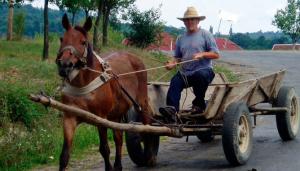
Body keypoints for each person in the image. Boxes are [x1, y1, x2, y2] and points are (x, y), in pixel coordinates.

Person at [159, 7, 220, 120]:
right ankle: (172, 111)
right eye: (187, 20)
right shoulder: (181, 38)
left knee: (199, 76)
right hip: (185, 73)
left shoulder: (205, 34)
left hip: (204, 70)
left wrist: (202, 54)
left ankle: (198, 104)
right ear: (184, 22)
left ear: (198, 21)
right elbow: (177, 57)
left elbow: (216, 54)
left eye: (192, 19)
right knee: (175, 81)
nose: (189, 22)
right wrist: (172, 63)